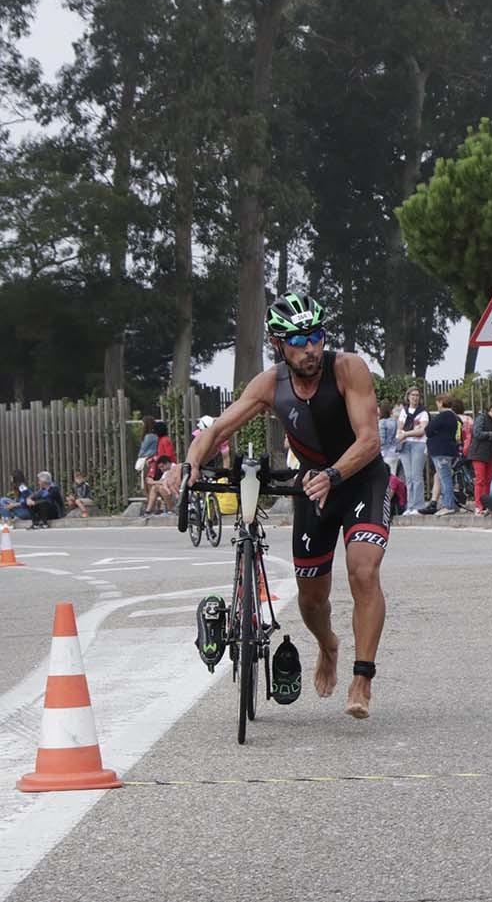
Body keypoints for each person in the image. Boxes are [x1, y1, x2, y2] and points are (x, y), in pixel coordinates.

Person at [184, 292, 389, 720]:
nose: (310, 348)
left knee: (363, 570)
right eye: (297, 340)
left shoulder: (347, 368)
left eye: (316, 336)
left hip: (359, 479)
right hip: (312, 488)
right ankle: (328, 645)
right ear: (278, 344)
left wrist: (333, 474)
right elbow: (218, 429)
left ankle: (362, 678)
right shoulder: (270, 385)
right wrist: (190, 464)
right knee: (311, 600)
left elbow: (370, 439)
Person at [393, 387, 429, 516]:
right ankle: (410, 505)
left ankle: (419, 505)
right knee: (408, 477)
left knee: (416, 475)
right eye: (413, 395)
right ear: (408, 397)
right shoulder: (404, 411)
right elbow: (400, 426)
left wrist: (406, 434)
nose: (415, 398)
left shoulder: (423, 412)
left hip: (418, 444)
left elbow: (421, 430)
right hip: (405, 444)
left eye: (417, 395)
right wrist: (401, 434)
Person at [425, 393, 462, 516]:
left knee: (445, 478)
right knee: (446, 477)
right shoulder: (453, 416)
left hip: (440, 451)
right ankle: (450, 503)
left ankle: (448, 505)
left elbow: (428, 430)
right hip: (448, 450)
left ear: (441, 402)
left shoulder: (443, 416)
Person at [470, 401, 492, 516]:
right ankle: (478, 505)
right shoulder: (482, 418)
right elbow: (477, 433)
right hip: (479, 453)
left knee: (489, 480)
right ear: (491, 410)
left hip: (489, 454)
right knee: (480, 480)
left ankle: (487, 504)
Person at [378, 401, 399, 478]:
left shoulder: (381, 423)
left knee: (384, 478)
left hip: (385, 453)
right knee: (393, 477)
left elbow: (382, 441)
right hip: (394, 452)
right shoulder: (394, 421)